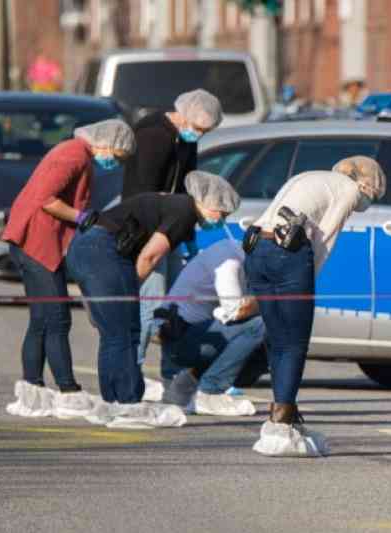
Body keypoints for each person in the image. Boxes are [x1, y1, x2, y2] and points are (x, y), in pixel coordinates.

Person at [243, 156, 386, 457]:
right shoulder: (348, 190)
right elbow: (324, 238)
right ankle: (281, 420)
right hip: (289, 254)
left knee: (277, 337)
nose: (365, 204)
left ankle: (283, 413)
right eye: (371, 196)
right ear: (364, 183)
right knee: (294, 342)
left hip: (257, 248)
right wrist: (308, 278)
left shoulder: (312, 174)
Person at [67, 170, 240, 405]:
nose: (222, 219)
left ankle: (113, 401)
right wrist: (129, 292)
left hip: (86, 246)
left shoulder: (175, 204)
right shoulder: (184, 213)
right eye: (222, 212)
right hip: (101, 250)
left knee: (114, 334)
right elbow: (149, 256)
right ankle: (127, 403)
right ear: (206, 202)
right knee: (125, 333)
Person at [3, 119, 136, 418]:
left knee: (41, 321)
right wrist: (81, 217)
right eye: (116, 156)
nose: (113, 162)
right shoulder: (73, 155)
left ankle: (32, 392)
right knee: (57, 319)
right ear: (105, 143)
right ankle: (68, 391)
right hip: (36, 241)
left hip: (35, 240)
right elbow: (45, 198)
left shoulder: (78, 153)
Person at [122, 89, 224, 377]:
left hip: (171, 229)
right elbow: (144, 191)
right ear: (185, 115)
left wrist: (187, 234)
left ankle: (171, 372)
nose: (200, 135)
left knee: (173, 307)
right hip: (148, 231)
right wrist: (157, 238)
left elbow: (186, 185)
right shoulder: (154, 135)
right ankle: (133, 374)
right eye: (200, 128)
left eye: (206, 131)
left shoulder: (184, 139)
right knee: (149, 305)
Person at [159, 234, 268, 417]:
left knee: (263, 337)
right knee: (259, 325)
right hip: (181, 338)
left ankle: (187, 384)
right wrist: (267, 300)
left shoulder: (239, 255)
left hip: (194, 334)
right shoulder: (229, 262)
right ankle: (210, 392)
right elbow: (234, 311)